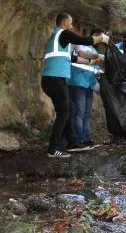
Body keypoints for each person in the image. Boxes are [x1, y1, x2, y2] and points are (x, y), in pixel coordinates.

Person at [42, 13, 110, 158]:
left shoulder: (59, 40)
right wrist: (102, 38)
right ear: (65, 22)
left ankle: (72, 143)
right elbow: (84, 40)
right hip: (55, 79)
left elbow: (74, 58)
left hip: (53, 80)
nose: (72, 26)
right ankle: (53, 148)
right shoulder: (63, 33)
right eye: (71, 23)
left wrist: (95, 61)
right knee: (64, 112)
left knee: (70, 109)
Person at [67, 28, 105, 151]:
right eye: (100, 38)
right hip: (77, 83)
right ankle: (78, 140)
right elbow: (81, 55)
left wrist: (98, 75)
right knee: (79, 113)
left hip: (88, 85)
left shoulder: (93, 49)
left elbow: (92, 67)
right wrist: (98, 56)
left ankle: (86, 139)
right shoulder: (80, 44)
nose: (100, 42)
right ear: (94, 35)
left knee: (86, 114)